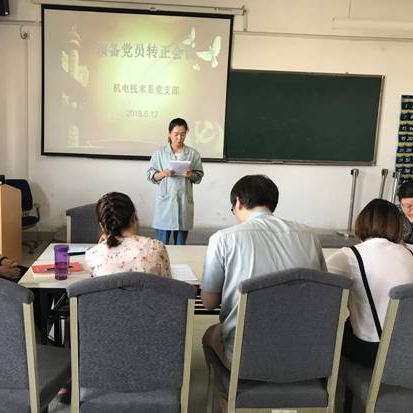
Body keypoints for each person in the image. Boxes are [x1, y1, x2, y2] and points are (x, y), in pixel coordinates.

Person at [200, 174, 326, 367]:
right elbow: (321, 292)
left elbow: (209, 303)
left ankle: (229, 385)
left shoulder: (223, 239)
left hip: (246, 354)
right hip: (304, 349)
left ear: (238, 203)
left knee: (210, 335)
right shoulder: (309, 236)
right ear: (273, 205)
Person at [327, 198, 413, 368]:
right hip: (407, 347)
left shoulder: (350, 254)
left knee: (333, 329)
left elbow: (317, 281)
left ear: (361, 222)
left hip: (372, 351)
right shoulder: (410, 254)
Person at [86, 192, 172, 277]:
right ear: (133, 218)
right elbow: (168, 285)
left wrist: (100, 247)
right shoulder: (156, 249)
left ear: (102, 226)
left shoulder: (92, 256)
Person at [147, 118, 204, 246]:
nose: (179, 138)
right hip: (165, 203)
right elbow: (150, 175)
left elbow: (199, 176)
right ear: (169, 134)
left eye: (182, 134)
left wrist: (190, 174)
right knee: (162, 246)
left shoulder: (193, 154)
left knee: (181, 246)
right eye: (176, 134)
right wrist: (163, 173)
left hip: (184, 202)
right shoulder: (159, 154)